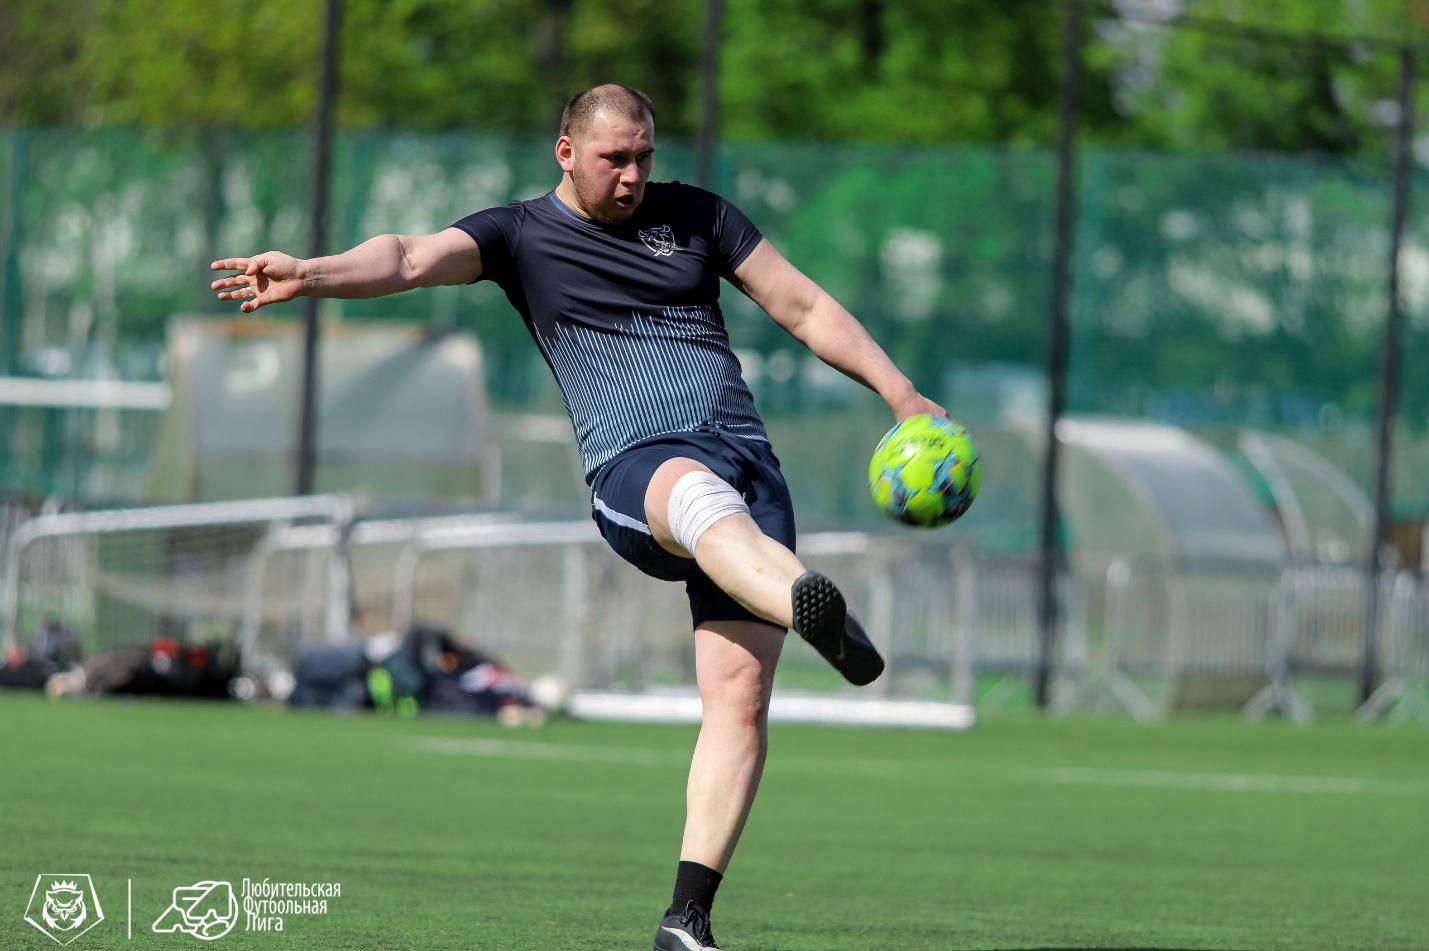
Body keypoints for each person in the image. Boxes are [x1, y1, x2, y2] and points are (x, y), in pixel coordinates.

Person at [210, 83, 945, 951]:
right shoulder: (518, 236)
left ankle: (686, 917)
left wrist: (901, 396)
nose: (633, 174)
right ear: (566, 153)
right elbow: (407, 257)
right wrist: (310, 273)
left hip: (749, 463)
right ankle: (804, 602)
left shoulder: (699, 216)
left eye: (644, 156)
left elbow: (803, 305)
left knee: (738, 698)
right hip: (639, 468)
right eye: (613, 158)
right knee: (697, 499)